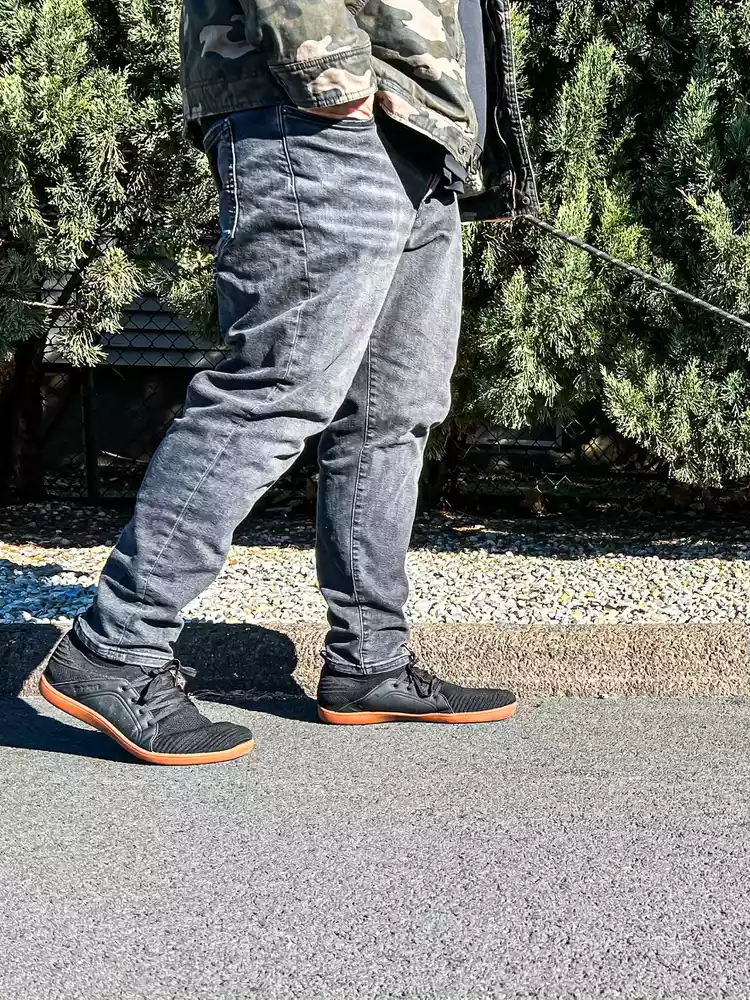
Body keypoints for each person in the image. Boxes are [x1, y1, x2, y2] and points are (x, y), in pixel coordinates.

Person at [39, 0, 538, 765]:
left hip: (418, 131)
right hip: (318, 114)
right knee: (271, 393)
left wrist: (469, 145)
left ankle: (370, 660)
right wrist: (324, 68)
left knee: (392, 413)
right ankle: (118, 644)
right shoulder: (323, 89)